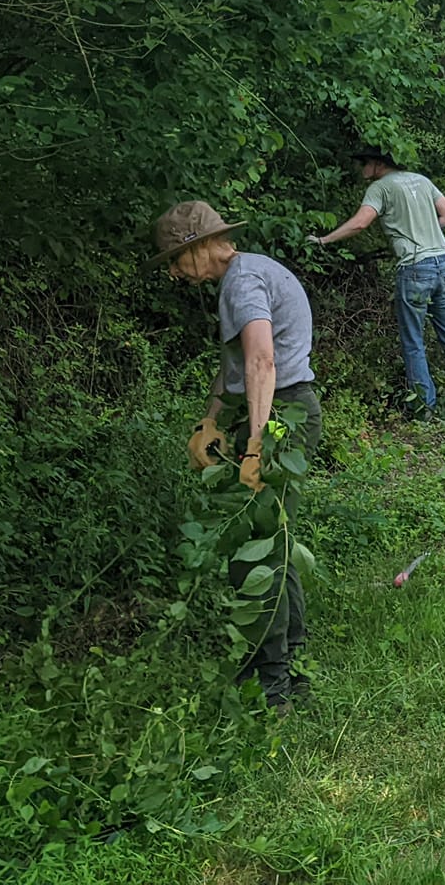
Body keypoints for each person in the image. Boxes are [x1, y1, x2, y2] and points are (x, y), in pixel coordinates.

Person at [150, 200, 320, 712]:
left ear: (198, 248)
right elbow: (234, 372)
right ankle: (289, 666)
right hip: (283, 412)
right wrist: (212, 421)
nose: (177, 275)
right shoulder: (249, 274)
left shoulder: (242, 283)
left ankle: (270, 687)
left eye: (176, 262)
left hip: (281, 417)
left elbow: (262, 360)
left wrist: (254, 444)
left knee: (255, 553)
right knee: (274, 541)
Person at [309, 147, 445, 418]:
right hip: (444, 264)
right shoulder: (421, 180)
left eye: (363, 162)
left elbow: (360, 224)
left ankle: (423, 409)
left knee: (413, 340)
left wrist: (324, 240)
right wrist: (425, 230)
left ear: (378, 164)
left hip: (414, 269)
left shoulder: (380, 188)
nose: (360, 168)